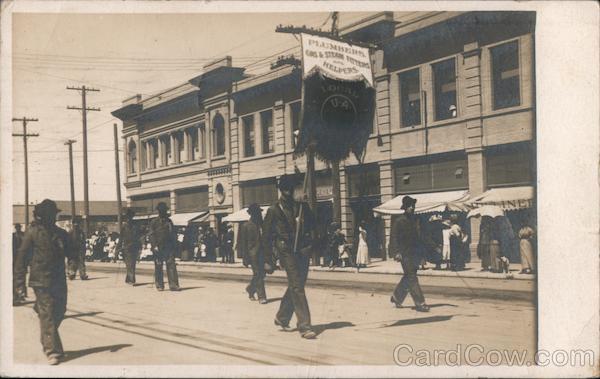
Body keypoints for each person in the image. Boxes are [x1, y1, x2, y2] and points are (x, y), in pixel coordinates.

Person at [14, 199, 76, 365]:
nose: (53, 218)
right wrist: (19, 284)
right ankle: (52, 351)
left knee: (60, 311)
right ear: (42, 216)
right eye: (49, 215)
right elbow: (21, 259)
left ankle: (46, 333)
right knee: (48, 314)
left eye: (54, 215)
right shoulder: (33, 232)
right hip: (40, 280)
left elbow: (72, 253)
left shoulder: (61, 233)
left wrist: (72, 267)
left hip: (58, 280)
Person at [262, 174, 317, 339]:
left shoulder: (300, 206)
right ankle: (305, 326)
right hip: (285, 250)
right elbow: (266, 237)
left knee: (297, 284)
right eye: (284, 188)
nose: (287, 191)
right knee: (297, 286)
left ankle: (282, 317)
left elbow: (314, 223)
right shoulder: (273, 210)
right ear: (280, 190)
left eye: (290, 188)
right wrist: (268, 259)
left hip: (301, 250)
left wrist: (307, 205)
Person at [389, 196, 441, 312]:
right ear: (405, 207)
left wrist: (434, 246)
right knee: (412, 277)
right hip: (404, 254)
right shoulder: (399, 221)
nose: (412, 208)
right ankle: (420, 303)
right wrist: (396, 252)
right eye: (410, 206)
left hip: (415, 254)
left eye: (413, 206)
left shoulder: (416, 220)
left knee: (408, 276)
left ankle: (396, 297)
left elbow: (423, 236)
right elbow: (394, 238)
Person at [238, 203, 267, 304]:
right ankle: (262, 296)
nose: (259, 215)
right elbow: (243, 243)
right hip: (252, 254)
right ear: (252, 214)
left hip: (262, 253)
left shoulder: (262, 225)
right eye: (257, 213)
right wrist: (244, 258)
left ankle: (250, 289)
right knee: (258, 274)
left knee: (262, 274)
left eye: (259, 213)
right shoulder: (246, 226)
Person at [149, 202, 180, 291]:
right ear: (158, 211)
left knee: (171, 265)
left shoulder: (169, 221)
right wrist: (154, 245)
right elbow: (151, 235)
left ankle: (173, 285)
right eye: (161, 211)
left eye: (164, 211)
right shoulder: (154, 222)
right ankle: (159, 285)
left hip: (168, 247)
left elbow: (173, 234)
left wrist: (174, 245)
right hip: (158, 247)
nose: (163, 212)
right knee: (158, 266)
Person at [119, 208, 140, 285]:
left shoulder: (136, 226)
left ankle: (129, 278)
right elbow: (121, 238)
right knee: (129, 263)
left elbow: (138, 237)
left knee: (132, 263)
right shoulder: (124, 227)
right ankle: (131, 279)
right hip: (126, 247)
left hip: (134, 247)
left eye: (130, 217)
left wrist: (139, 247)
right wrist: (118, 248)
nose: (129, 218)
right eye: (128, 217)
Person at [13, 223, 27, 305]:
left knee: (22, 276)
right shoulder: (13, 236)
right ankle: (18, 294)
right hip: (15, 259)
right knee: (16, 277)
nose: (17, 228)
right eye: (16, 227)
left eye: (18, 227)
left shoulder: (24, 235)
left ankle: (22, 293)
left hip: (22, 259)